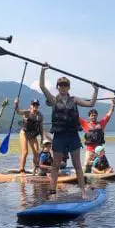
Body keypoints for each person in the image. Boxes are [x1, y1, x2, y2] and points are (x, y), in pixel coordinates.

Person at [39, 66, 98, 197]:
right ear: (57, 87)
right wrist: (43, 71)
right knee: (55, 165)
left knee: (77, 165)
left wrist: (95, 90)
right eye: (60, 85)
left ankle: (83, 193)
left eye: (65, 85)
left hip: (72, 136)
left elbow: (91, 104)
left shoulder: (75, 100)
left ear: (68, 87)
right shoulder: (53, 100)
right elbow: (42, 86)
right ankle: (53, 193)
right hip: (59, 136)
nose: (63, 87)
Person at [80, 97, 115, 174]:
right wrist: (73, 104)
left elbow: (109, 114)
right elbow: (75, 115)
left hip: (99, 151)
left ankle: (104, 173)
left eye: (95, 115)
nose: (93, 117)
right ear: (89, 116)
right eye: (92, 115)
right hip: (89, 151)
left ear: (97, 116)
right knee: (86, 166)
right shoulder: (85, 124)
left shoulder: (101, 124)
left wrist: (113, 104)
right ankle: (85, 175)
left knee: (103, 165)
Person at [15, 98, 44, 174]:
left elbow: (41, 127)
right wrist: (16, 104)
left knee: (36, 152)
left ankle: (34, 169)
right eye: (33, 105)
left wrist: (42, 138)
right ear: (31, 106)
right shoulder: (27, 112)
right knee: (25, 152)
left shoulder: (40, 116)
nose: (35, 106)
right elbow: (18, 112)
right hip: (24, 133)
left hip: (32, 134)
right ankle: (22, 170)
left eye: (36, 105)